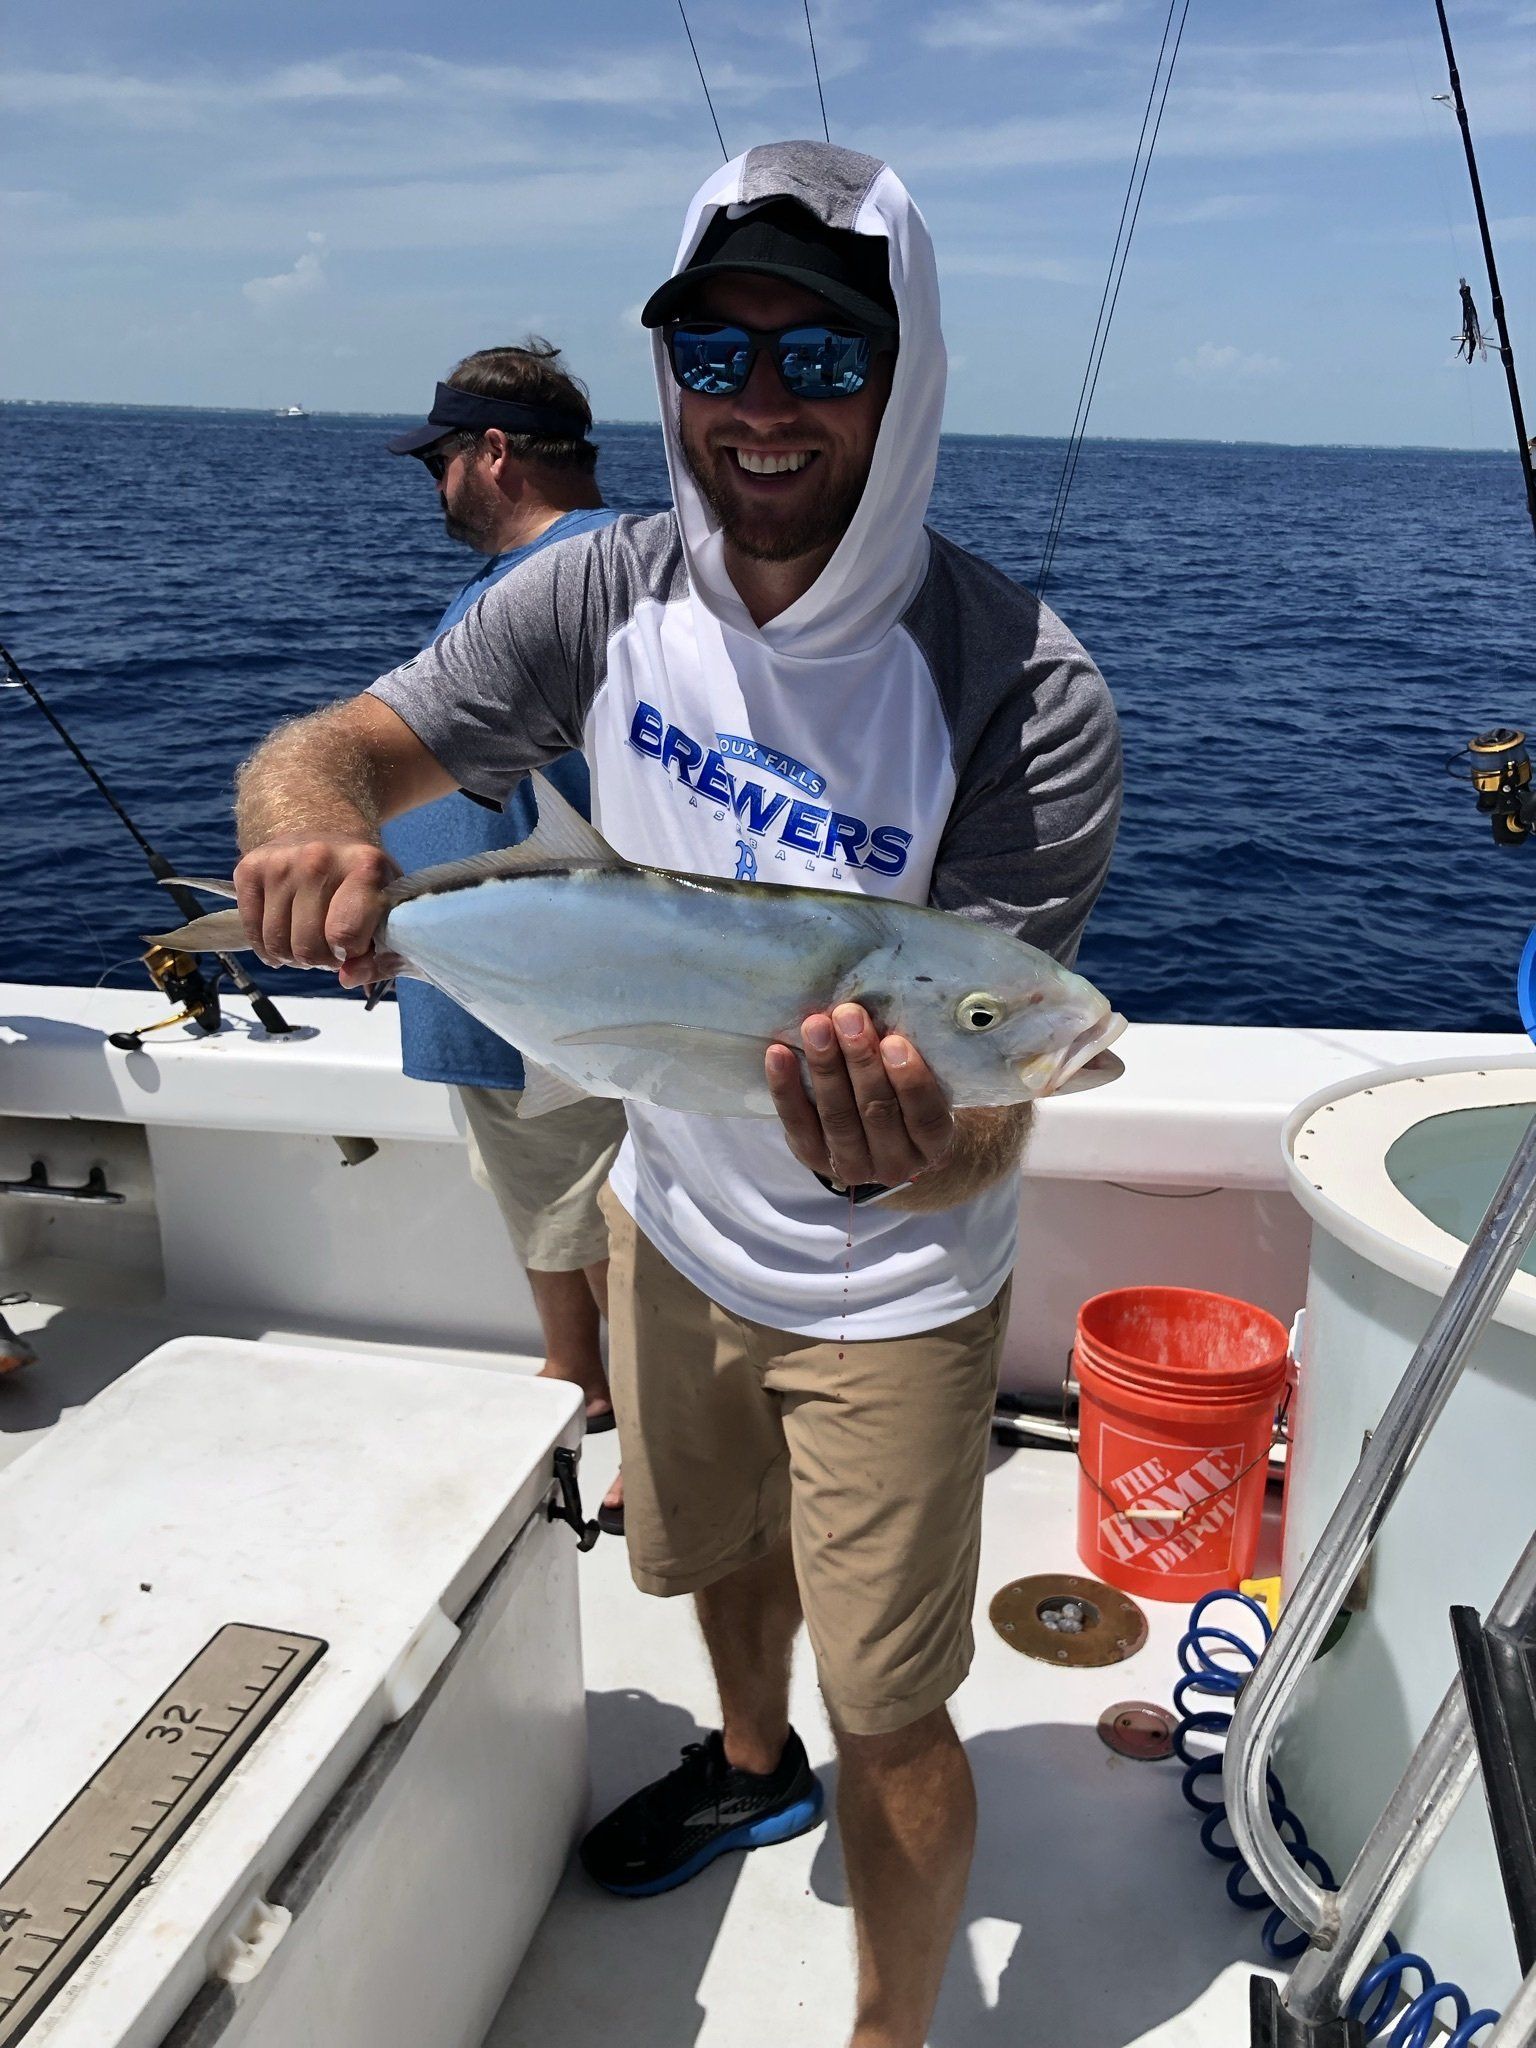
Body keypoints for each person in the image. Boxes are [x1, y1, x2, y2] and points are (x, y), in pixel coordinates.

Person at [227, 143, 1121, 2048]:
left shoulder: (1020, 688)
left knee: (892, 1702)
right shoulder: (601, 596)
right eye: (715, 357)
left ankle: (887, 2024)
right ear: (668, 386)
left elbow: (985, 1082)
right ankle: (740, 1754)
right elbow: (342, 744)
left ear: (914, 368)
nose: (765, 404)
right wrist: (307, 828)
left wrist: (928, 1143)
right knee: (709, 1556)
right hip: (670, 1217)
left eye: (824, 353)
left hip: (890, 1292)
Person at [381, 343, 628, 1522]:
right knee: (552, 1197)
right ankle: (579, 1377)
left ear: (492, 454)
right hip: (490, 984)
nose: (434, 486)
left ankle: (661, 1436)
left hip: (550, 989)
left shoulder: (553, 585)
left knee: (620, 1211)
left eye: (440, 460)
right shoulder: (612, 567)